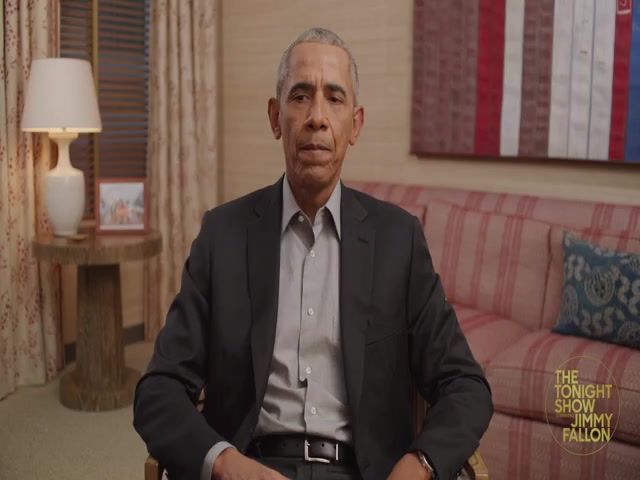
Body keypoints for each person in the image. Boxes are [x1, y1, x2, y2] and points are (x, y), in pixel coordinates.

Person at [133, 27, 493, 480]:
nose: (317, 118)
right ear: (275, 117)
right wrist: (225, 464)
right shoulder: (222, 236)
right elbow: (158, 390)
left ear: (355, 125)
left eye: (334, 99)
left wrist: (419, 464)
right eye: (301, 96)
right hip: (252, 465)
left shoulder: (398, 241)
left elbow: (466, 385)